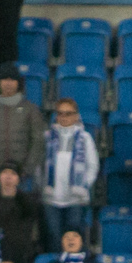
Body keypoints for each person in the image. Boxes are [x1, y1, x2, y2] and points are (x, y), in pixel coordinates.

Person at [0, 64, 45, 195]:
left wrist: (27, 170)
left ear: (19, 82)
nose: (8, 83)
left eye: (12, 79)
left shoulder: (30, 109)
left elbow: (38, 141)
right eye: (4, 79)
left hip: (21, 176)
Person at [40, 100, 99, 243]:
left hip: (75, 200)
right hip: (51, 199)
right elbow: (39, 166)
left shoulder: (85, 138)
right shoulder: (47, 137)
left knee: (74, 239)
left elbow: (93, 166)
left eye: (68, 113)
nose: (64, 117)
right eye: (60, 113)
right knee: (53, 238)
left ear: (76, 116)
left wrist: (83, 185)